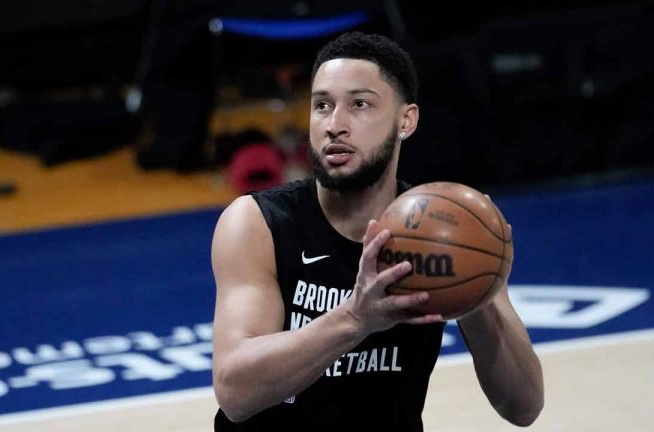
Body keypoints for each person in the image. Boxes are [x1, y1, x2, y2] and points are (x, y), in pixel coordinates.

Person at [211, 32, 544, 431]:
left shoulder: (445, 230)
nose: (335, 125)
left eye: (360, 105)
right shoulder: (258, 223)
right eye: (322, 106)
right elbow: (234, 393)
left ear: (406, 120)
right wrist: (357, 317)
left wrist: (482, 294)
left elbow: (524, 408)